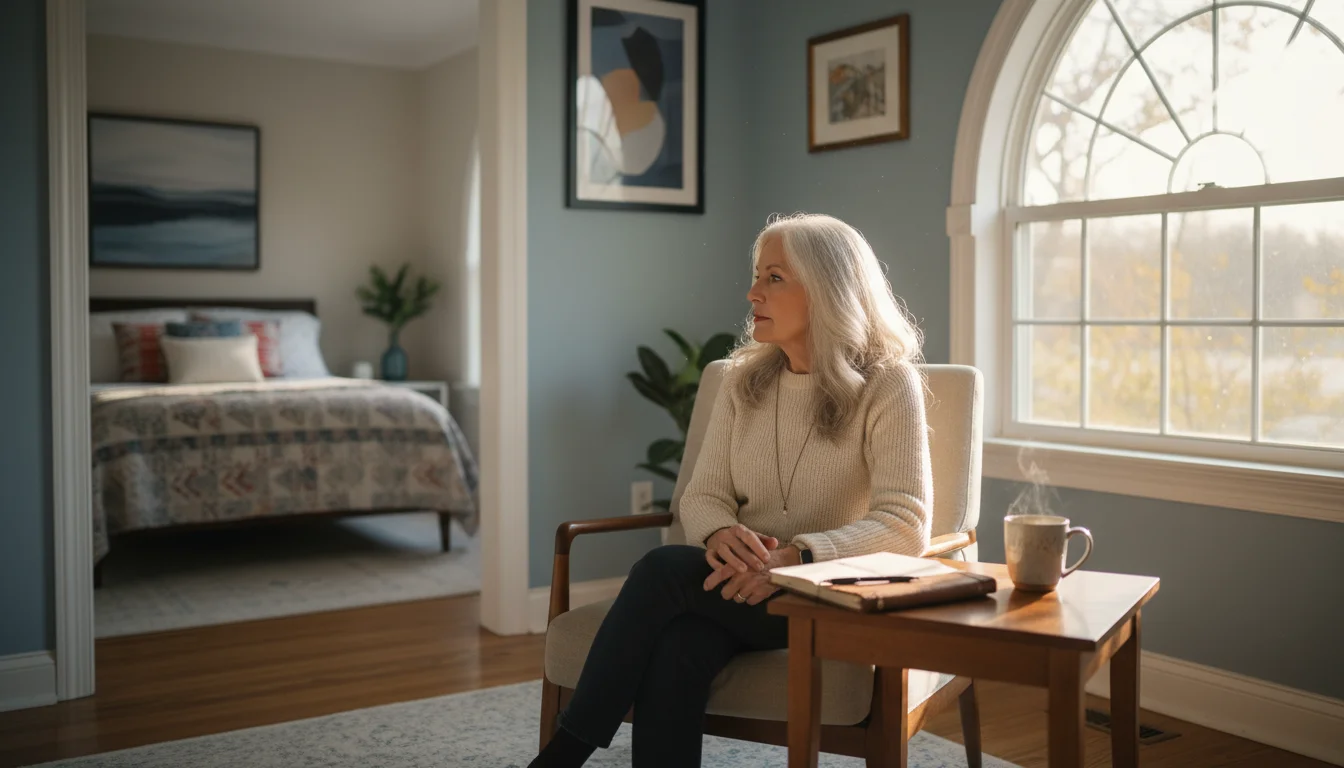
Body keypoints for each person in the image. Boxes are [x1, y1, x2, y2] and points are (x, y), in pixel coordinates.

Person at [529, 213, 933, 768]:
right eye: (756, 276)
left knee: (661, 571)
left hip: (826, 598)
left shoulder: (889, 384)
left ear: (827, 289)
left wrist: (795, 558)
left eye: (773, 278)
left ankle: (562, 755)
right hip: (738, 588)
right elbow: (703, 495)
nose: (751, 293)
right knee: (680, 646)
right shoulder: (744, 379)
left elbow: (904, 522)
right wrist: (721, 534)